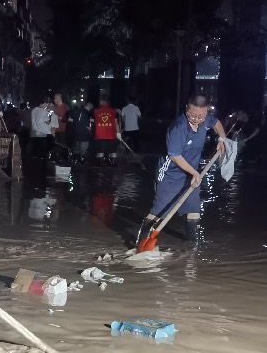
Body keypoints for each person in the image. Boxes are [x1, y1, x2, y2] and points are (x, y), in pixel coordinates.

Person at [137, 95, 228, 244]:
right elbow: (175, 156)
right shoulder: (178, 128)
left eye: (201, 116)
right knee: (160, 210)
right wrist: (194, 173)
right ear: (186, 109)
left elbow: (216, 123)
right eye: (192, 114)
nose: (196, 119)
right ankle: (141, 245)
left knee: (193, 210)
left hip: (191, 174)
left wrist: (221, 139)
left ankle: (191, 247)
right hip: (170, 174)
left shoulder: (206, 120)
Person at [93, 95, 120, 165]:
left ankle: (101, 165)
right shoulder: (113, 111)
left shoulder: (96, 111)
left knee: (100, 152)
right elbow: (116, 122)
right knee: (113, 151)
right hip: (111, 135)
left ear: (101, 101)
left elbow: (93, 121)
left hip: (100, 135)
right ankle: (112, 163)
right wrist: (118, 132)